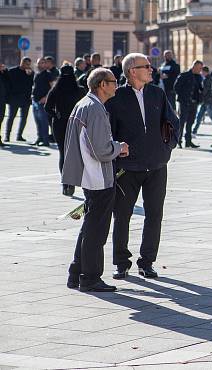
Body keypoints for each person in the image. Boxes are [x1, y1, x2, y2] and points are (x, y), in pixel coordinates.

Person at [106, 53, 179, 281]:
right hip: (128, 168)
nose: (151, 69)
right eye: (146, 66)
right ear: (132, 71)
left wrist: (167, 148)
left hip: (157, 165)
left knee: (154, 215)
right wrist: (117, 154)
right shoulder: (117, 97)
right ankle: (121, 262)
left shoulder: (157, 93)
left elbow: (173, 122)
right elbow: (109, 131)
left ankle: (147, 262)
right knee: (122, 216)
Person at [63, 68, 129, 293]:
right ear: (102, 85)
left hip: (88, 176)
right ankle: (90, 278)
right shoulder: (95, 109)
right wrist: (119, 147)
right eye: (113, 81)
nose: (117, 85)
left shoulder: (84, 104)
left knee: (89, 227)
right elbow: (100, 150)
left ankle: (76, 273)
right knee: (96, 231)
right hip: (98, 177)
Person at [45, 64, 86, 195]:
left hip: (60, 124)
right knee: (74, 154)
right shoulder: (79, 90)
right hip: (75, 124)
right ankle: (72, 182)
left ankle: (65, 184)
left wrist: (56, 115)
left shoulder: (56, 89)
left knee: (63, 153)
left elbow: (47, 108)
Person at [174, 60, 203, 148]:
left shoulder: (199, 77)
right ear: (194, 66)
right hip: (185, 102)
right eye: (199, 68)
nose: (200, 70)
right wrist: (183, 97)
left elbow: (200, 89)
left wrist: (200, 97)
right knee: (182, 122)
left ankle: (188, 141)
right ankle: (179, 140)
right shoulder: (184, 75)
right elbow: (176, 87)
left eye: (201, 68)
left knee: (190, 122)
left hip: (194, 103)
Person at [5, 56, 34, 143]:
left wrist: (30, 75)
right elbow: (6, 82)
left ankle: (19, 135)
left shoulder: (30, 73)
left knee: (24, 118)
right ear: (21, 62)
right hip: (14, 98)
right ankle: (7, 135)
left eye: (29, 64)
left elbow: (32, 84)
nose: (27, 65)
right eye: (25, 63)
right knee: (11, 117)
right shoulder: (12, 71)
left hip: (26, 99)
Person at [31, 57, 55, 146]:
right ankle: (39, 138)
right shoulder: (36, 73)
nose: (41, 64)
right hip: (35, 101)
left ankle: (45, 141)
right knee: (37, 122)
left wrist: (46, 97)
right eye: (39, 63)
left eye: (43, 63)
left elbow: (53, 88)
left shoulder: (48, 74)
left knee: (43, 121)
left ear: (45, 64)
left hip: (43, 102)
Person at [192, 66, 212, 134]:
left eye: (202, 72)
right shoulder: (206, 79)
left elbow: (205, 90)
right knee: (199, 117)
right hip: (205, 101)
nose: (201, 73)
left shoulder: (208, 79)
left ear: (206, 72)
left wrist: (199, 92)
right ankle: (194, 131)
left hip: (208, 101)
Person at [0, 63, 9, 146]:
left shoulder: (3, 74)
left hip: (2, 101)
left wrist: (4, 71)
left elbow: (8, 81)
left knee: (1, 118)